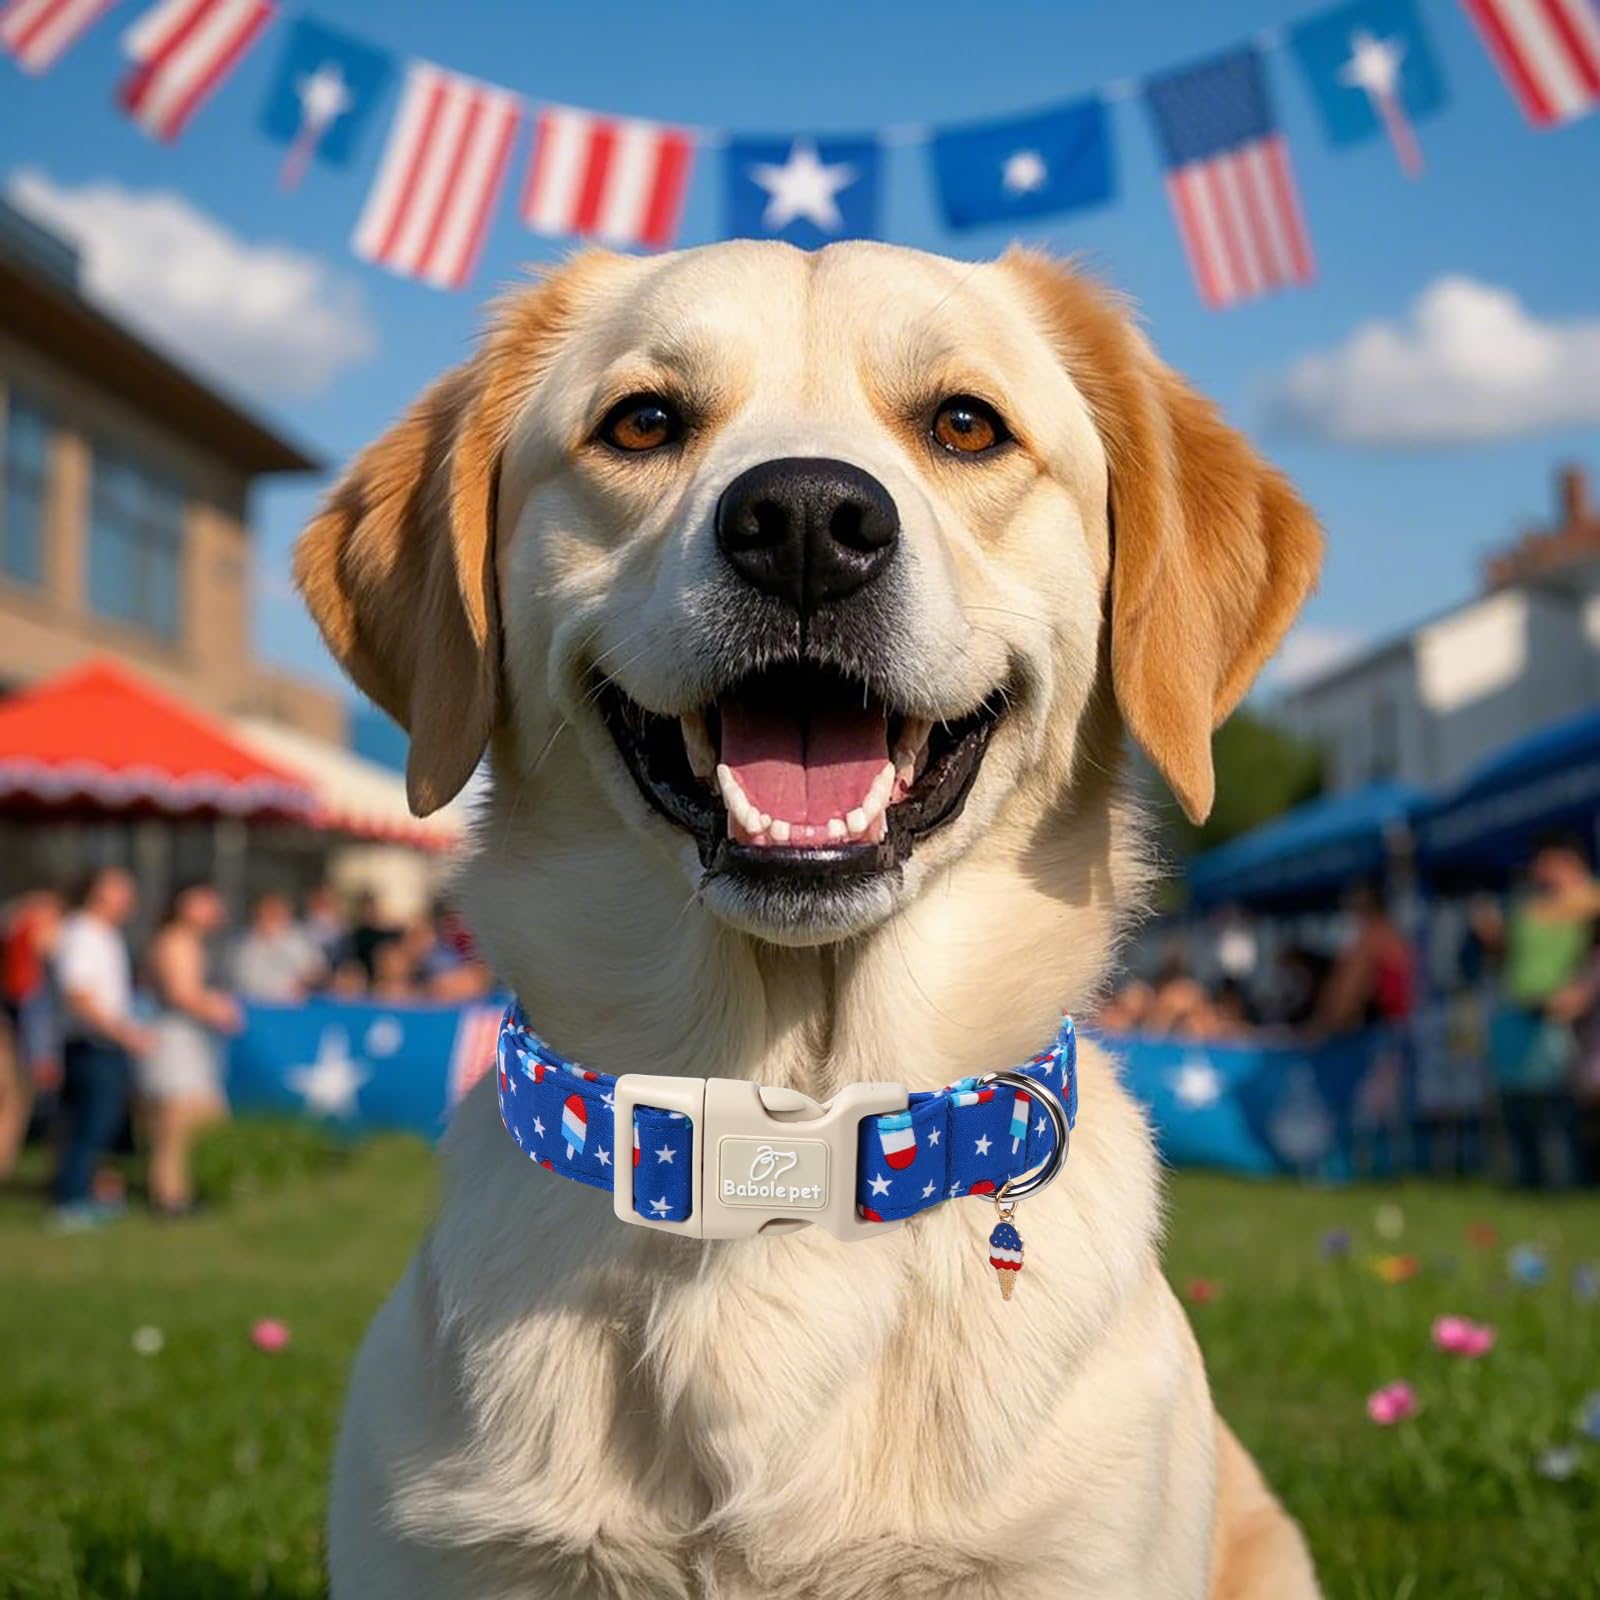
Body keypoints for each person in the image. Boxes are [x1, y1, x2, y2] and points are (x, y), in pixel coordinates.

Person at [1494, 835, 1600, 1188]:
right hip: (1522, 1014)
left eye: (1546, 862)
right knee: (1520, 1109)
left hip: (1566, 1022)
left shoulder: (1584, 899)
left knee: (1559, 1115)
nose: (1540, 871)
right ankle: (1535, 1185)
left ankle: (1568, 1186)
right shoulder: (1528, 904)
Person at [50, 869, 150, 1229]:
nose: (128, 899)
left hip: (104, 1044)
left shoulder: (106, 935)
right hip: (93, 1045)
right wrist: (123, 1033)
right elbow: (78, 995)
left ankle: (89, 1193)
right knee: (90, 1126)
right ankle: (72, 1202)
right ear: (97, 893)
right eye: (120, 891)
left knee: (100, 1127)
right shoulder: (82, 934)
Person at [141, 884, 241, 1216]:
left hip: (189, 1042)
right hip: (175, 1043)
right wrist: (217, 1009)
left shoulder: (191, 943)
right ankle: (169, 1198)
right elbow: (179, 993)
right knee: (176, 1124)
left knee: (206, 1118)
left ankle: (188, 1189)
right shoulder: (176, 941)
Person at [1, 887, 63, 1181]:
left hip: (16, 1040)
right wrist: (42, 1054)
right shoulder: (28, 947)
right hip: (16, 1044)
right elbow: (32, 1005)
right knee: (11, 1107)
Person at [230, 891, 324, 1002]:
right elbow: (242, 980)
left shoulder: (300, 940)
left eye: (277, 912)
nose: (273, 917)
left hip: (295, 1009)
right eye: (268, 912)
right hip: (257, 1008)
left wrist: (306, 981)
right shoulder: (243, 945)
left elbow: (318, 971)